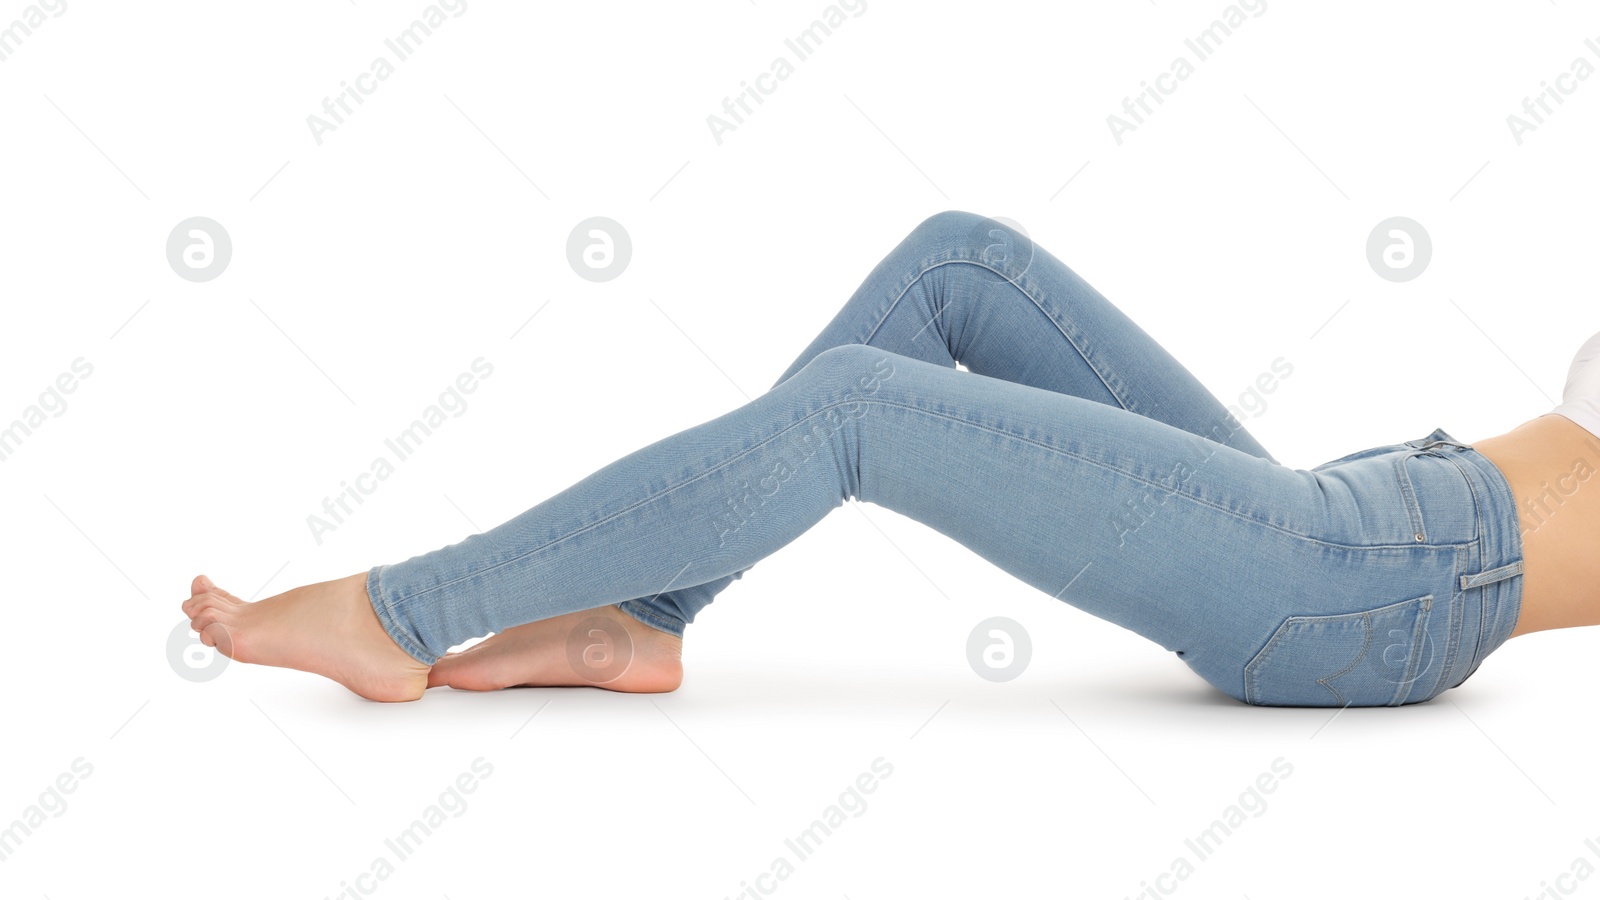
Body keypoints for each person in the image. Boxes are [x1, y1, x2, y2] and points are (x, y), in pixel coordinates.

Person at [179, 211, 1600, 707]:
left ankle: (400, 612)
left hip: (1375, 588)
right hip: (1368, 509)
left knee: (861, 406)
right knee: (959, 268)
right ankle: (642, 618)